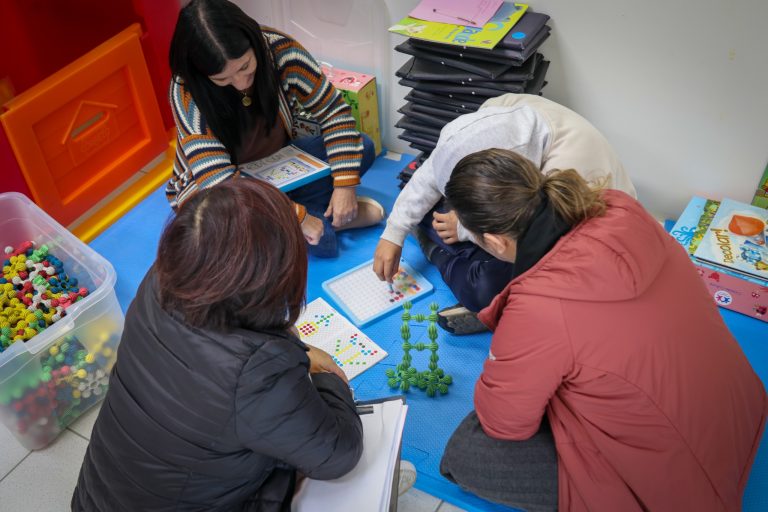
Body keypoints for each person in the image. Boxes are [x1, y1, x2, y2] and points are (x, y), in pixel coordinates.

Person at [436, 148, 767, 512]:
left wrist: (507, 355)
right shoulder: (619, 208)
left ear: (496, 241)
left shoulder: (538, 309)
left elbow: (504, 423)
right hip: (739, 412)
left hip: (686, 486)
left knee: (465, 452)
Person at [71, 179, 364, 511]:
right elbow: (340, 455)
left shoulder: (160, 277)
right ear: (270, 278)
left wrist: (294, 349)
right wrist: (329, 379)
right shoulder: (260, 371)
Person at [373, 93, 637, 333]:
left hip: (580, 252)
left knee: (489, 288)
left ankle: (441, 255)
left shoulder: (573, 187)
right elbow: (432, 170)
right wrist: (394, 232)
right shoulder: (496, 114)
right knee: (433, 213)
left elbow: (541, 260)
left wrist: (463, 228)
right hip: (528, 228)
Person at [167, 0, 384, 258]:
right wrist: (298, 216)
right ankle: (324, 217)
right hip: (218, 189)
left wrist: (345, 186)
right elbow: (218, 181)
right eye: (222, 79)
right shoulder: (186, 91)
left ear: (254, 42)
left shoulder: (280, 50)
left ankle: (311, 216)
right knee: (314, 243)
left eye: (245, 67)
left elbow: (334, 113)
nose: (239, 84)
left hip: (278, 166)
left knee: (363, 146)